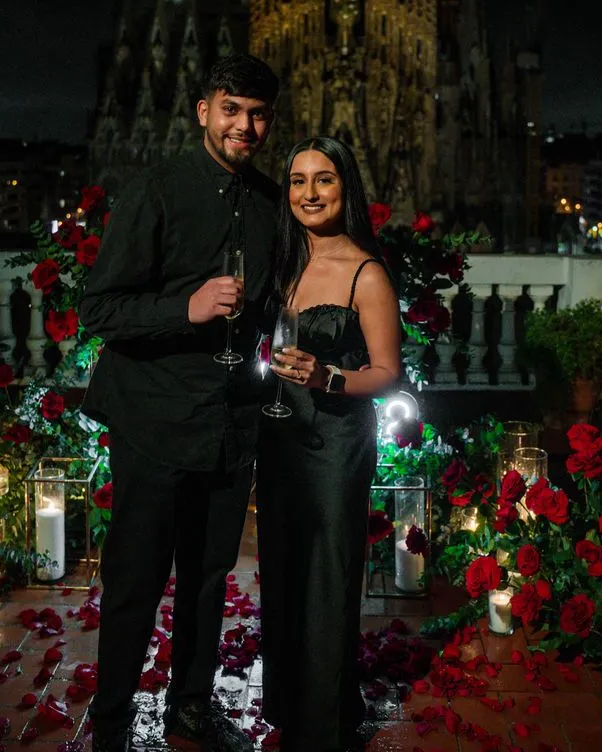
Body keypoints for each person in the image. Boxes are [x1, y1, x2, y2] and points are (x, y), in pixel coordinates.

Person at [79, 53, 280, 752]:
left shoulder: (266, 201)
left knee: (207, 576)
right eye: (231, 110)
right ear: (204, 111)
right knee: (136, 580)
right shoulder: (156, 191)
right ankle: (109, 725)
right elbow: (98, 309)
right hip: (154, 418)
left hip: (229, 417)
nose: (243, 126)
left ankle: (188, 707)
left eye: (256, 114)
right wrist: (185, 308)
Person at [256, 136, 401, 752]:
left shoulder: (367, 272)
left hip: (335, 444)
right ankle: (293, 703)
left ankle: (325, 721)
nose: (308, 194)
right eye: (296, 181)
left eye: (323, 181)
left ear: (346, 188)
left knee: (327, 575)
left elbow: (388, 372)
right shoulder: (285, 263)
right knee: (285, 569)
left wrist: (329, 376)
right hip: (282, 436)